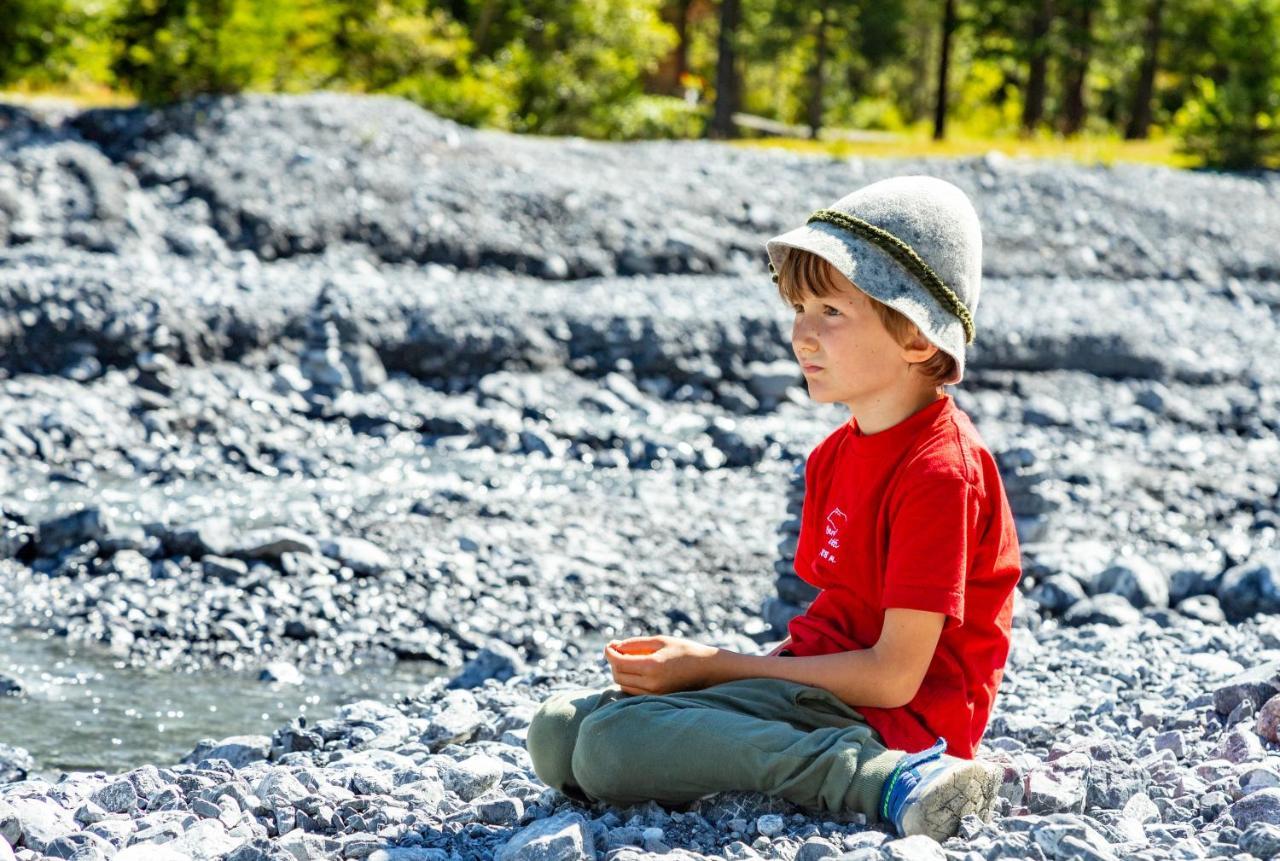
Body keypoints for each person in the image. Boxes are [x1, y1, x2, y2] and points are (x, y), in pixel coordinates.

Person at [525, 175, 1023, 843]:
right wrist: (716, 675)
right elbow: (836, 625)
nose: (802, 336)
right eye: (798, 308)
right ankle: (827, 761)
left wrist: (714, 665)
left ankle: (890, 781)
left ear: (919, 340)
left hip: (897, 721)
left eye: (831, 312)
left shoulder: (941, 473)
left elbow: (894, 675)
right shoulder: (834, 456)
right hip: (825, 693)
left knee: (609, 749)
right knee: (558, 730)